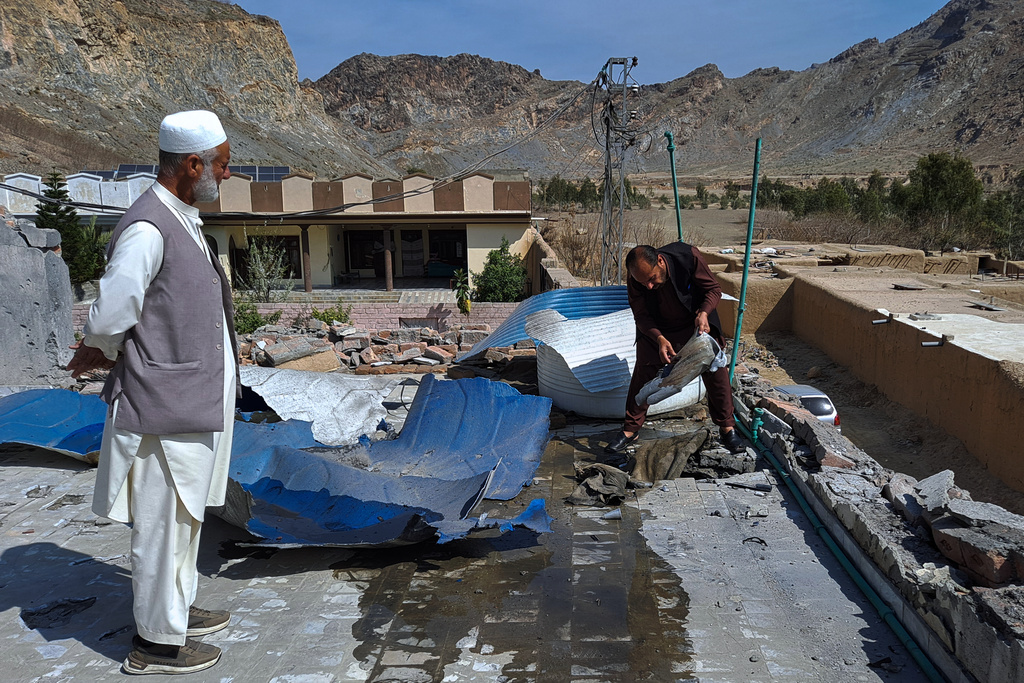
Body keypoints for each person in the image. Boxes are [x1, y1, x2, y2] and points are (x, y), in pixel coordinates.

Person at [67, 110, 237, 675]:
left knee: (185, 520)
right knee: (164, 524)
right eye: (222, 164)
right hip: (163, 405)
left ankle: (176, 611)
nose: (227, 174)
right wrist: (102, 347)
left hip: (189, 400)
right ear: (193, 165)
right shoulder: (148, 227)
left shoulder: (182, 218)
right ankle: (157, 643)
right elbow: (112, 310)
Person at [605, 243, 746, 456]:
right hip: (658, 329)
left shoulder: (688, 257)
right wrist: (659, 339)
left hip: (696, 322)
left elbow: (713, 289)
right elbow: (641, 315)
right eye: (643, 283)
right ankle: (630, 429)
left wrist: (704, 312)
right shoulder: (637, 279)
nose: (648, 286)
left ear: (660, 262)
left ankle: (727, 427)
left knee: (715, 371)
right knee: (643, 373)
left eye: (652, 278)